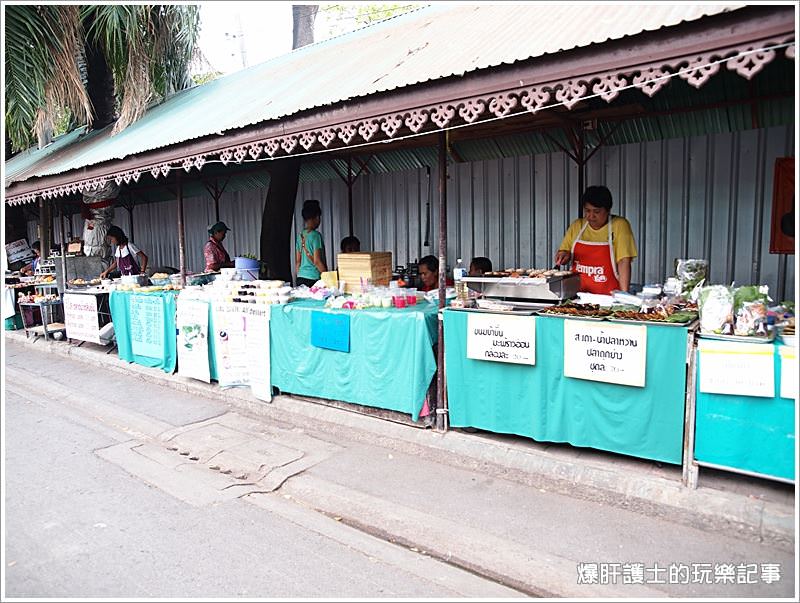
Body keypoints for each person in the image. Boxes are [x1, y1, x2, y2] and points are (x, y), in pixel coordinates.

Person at [554, 185, 637, 294]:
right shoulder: (577, 226)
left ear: (608, 210)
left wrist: (624, 295)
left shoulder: (619, 225)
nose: (591, 216)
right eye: (587, 211)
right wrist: (563, 255)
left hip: (608, 296)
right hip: (578, 296)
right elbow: (565, 251)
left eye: (596, 212)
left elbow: (623, 262)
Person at [295, 200, 327, 287]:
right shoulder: (316, 236)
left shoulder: (300, 236)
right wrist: (328, 277)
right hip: (313, 280)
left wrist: (300, 275)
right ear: (317, 217)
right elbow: (317, 262)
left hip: (300, 278)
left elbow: (298, 262)